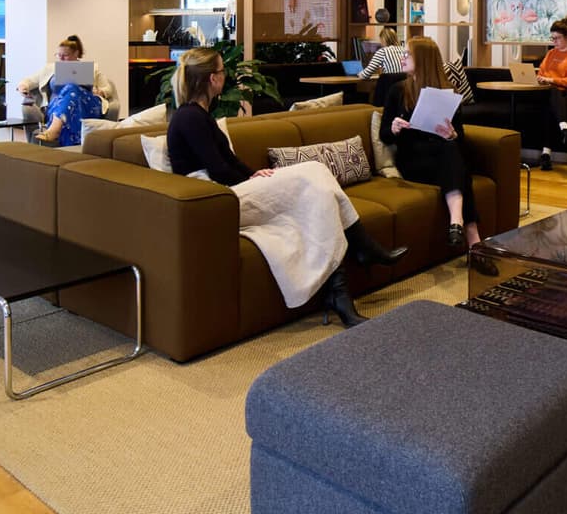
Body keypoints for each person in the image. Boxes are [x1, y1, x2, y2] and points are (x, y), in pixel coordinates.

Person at [165, 47, 406, 327]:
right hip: (218, 199)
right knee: (314, 174)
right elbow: (218, 169)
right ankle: (362, 247)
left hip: (227, 189)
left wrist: (256, 173)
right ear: (211, 79)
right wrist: (253, 181)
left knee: (317, 191)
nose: (225, 76)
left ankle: (341, 292)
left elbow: (229, 160)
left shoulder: (199, 114)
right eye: (221, 71)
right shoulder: (190, 118)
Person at [381, 38, 481, 251]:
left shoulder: (448, 92)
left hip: (442, 156)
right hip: (413, 160)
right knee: (459, 169)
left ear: (423, 59)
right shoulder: (396, 90)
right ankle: (471, 236)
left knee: (450, 148)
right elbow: (385, 136)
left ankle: (458, 226)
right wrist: (394, 128)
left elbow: (460, 137)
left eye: (407, 54)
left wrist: (452, 134)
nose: (402, 58)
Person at [23, 35, 115, 147]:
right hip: (57, 107)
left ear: (75, 54)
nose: (60, 58)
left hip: (87, 105)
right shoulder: (49, 69)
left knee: (72, 87)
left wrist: (100, 92)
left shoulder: (92, 69)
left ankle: (54, 129)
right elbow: (29, 81)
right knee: (71, 88)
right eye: (58, 55)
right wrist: (23, 86)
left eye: (65, 56)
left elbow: (108, 88)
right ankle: (60, 130)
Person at [534, 16, 567, 170]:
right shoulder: (551, 54)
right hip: (553, 95)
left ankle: (546, 153)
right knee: (552, 97)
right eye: (552, 38)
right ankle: (565, 129)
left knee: (550, 106)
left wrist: (551, 80)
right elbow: (542, 72)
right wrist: (541, 79)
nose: (554, 42)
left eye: (557, 38)